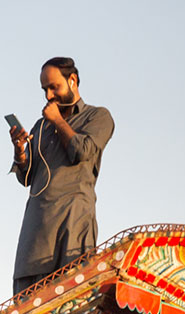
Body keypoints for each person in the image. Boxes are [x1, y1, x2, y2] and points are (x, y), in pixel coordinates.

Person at [8, 56, 115, 297]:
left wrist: (57, 120)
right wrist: (19, 150)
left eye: (53, 87)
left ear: (73, 81)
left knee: (71, 300)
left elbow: (83, 151)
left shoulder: (98, 117)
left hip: (72, 225)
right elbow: (26, 178)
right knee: (26, 313)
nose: (48, 96)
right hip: (35, 233)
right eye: (45, 89)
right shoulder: (40, 127)